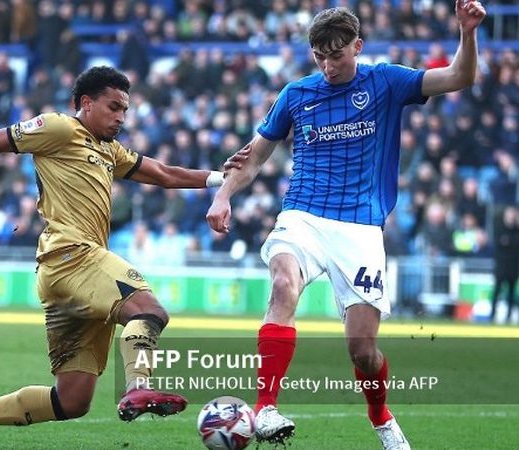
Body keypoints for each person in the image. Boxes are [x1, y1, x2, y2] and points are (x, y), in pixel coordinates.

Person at [206, 3, 486, 450]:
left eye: (337, 55)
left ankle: (381, 417)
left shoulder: (386, 81)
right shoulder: (296, 94)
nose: (328, 65)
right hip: (303, 215)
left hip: (360, 230)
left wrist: (467, 33)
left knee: (362, 351)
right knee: (282, 283)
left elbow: (458, 77)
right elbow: (254, 156)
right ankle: (265, 408)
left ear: (358, 46)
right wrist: (223, 196)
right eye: (320, 56)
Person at [0, 66, 240, 448]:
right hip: (73, 255)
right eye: (113, 107)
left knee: (71, 400)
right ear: (86, 103)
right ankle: (138, 387)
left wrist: (224, 177)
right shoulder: (60, 128)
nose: (121, 117)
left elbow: (164, 173)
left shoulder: (108, 149)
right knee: (149, 311)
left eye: (125, 110)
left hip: (64, 276)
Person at [490, 206, 518, 324]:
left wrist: (508, 242)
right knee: (497, 290)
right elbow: (500, 242)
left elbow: (512, 243)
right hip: (502, 264)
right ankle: (492, 314)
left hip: (513, 265)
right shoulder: (499, 227)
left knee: (511, 291)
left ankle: (509, 315)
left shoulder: (516, 229)